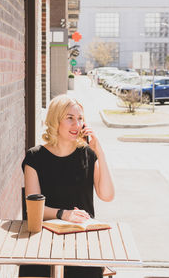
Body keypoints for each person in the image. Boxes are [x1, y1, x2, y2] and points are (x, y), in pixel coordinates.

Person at [19, 94, 114, 278]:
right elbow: (33, 210)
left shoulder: (87, 154)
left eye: (80, 119)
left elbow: (107, 195)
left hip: (82, 243)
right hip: (43, 242)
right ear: (56, 121)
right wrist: (63, 213)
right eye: (69, 118)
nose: (76, 125)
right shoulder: (34, 157)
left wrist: (99, 152)